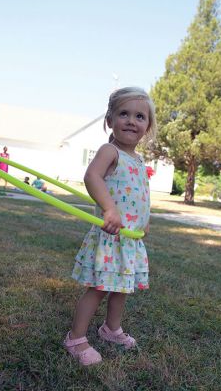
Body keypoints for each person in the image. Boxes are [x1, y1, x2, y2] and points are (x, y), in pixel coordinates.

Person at [64, 87, 157, 366]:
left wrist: (144, 222)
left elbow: (140, 194)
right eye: (123, 114)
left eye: (139, 116)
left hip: (129, 239)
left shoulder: (139, 161)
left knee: (122, 288)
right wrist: (109, 208)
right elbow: (92, 176)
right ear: (110, 120)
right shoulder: (110, 151)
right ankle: (76, 338)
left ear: (147, 126)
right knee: (99, 288)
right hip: (110, 236)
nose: (131, 120)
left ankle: (111, 329)